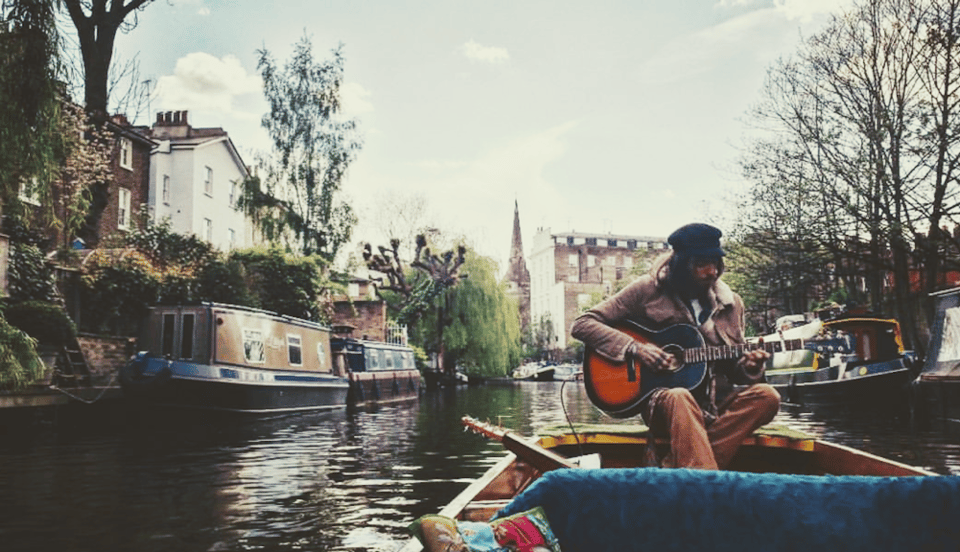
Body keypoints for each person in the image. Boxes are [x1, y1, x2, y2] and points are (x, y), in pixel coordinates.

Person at [571, 222, 780, 470]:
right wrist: (636, 348)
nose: (712, 271)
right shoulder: (646, 290)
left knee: (768, 396)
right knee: (680, 396)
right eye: (702, 264)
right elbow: (583, 324)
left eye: (716, 263)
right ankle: (707, 482)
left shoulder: (731, 304)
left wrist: (749, 366)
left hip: (714, 404)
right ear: (682, 264)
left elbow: (735, 369)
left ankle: (676, 466)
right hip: (664, 402)